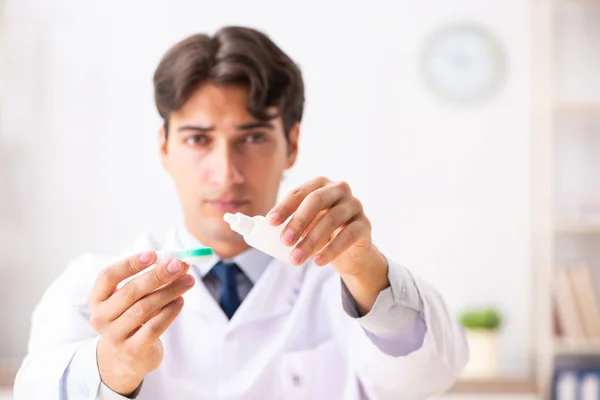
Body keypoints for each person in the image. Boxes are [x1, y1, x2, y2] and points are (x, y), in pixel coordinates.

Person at [14, 26, 468, 400]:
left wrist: (367, 270)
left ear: (291, 144)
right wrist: (114, 364)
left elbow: (431, 375)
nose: (226, 172)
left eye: (252, 138)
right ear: (164, 147)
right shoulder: (91, 290)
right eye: (198, 139)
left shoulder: (348, 283)